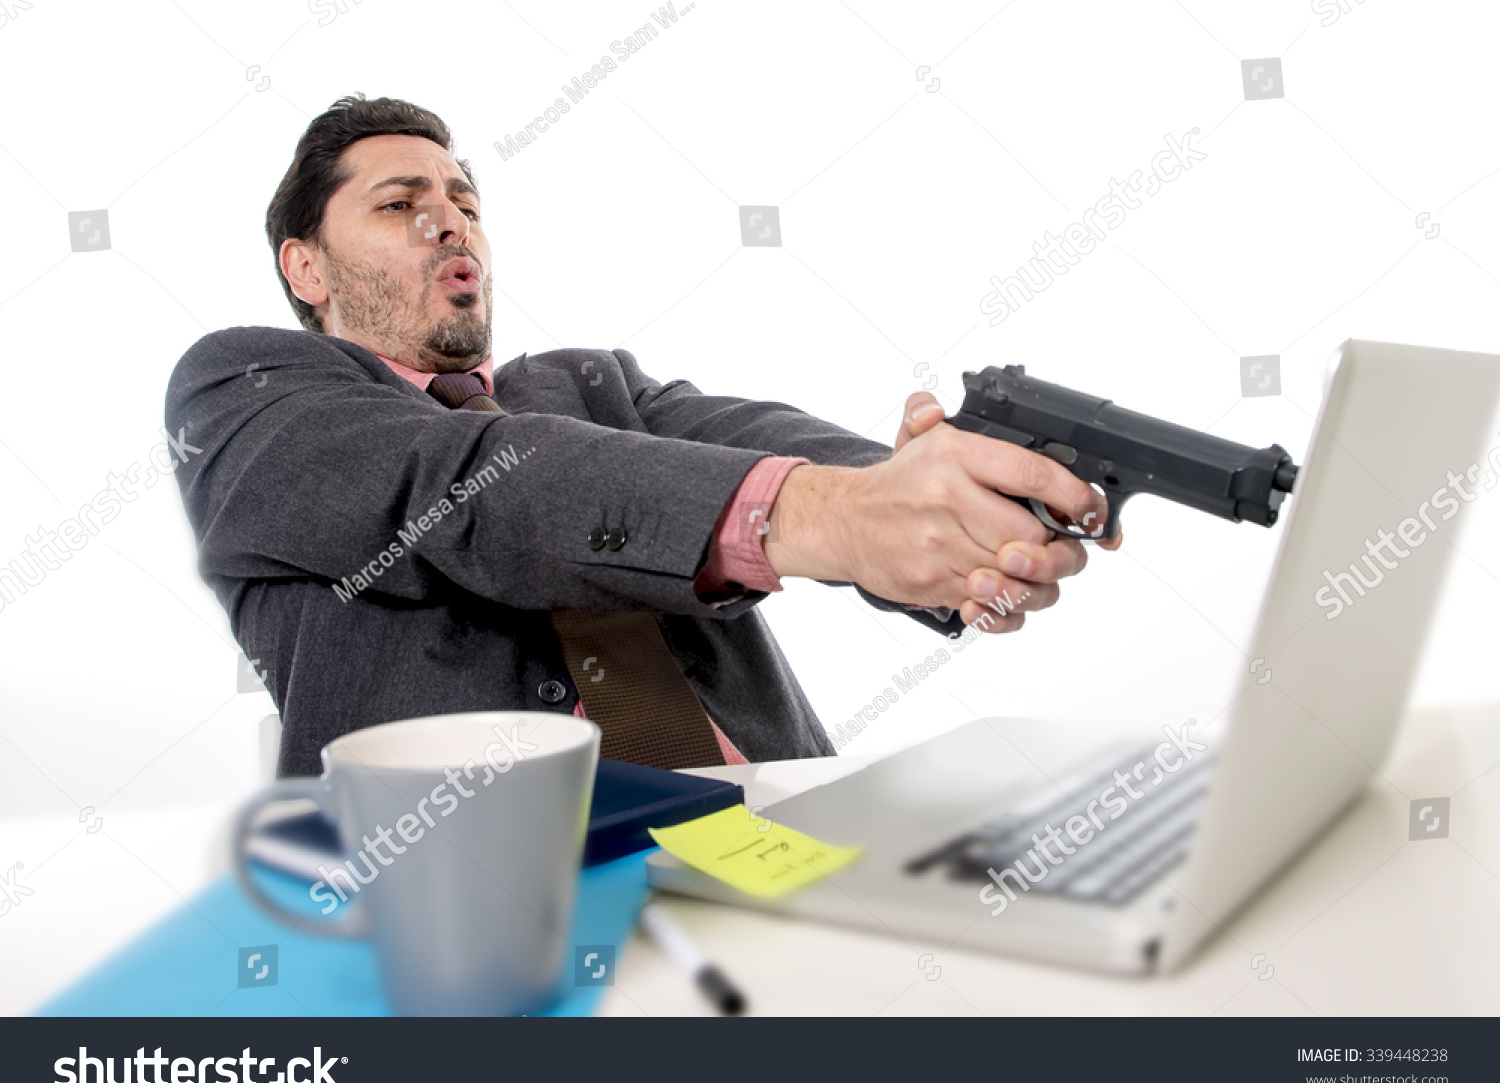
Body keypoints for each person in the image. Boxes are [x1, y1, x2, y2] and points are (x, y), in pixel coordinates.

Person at [165, 94, 1120, 777]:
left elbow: (754, 443)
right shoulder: (247, 392)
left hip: (782, 836)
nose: (450, 223)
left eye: (465, 203)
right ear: (306, 268)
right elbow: (464, 484)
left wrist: (940, 494)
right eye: (399, 203)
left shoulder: (592, 383)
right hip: (468, 902)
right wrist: (840, 513)